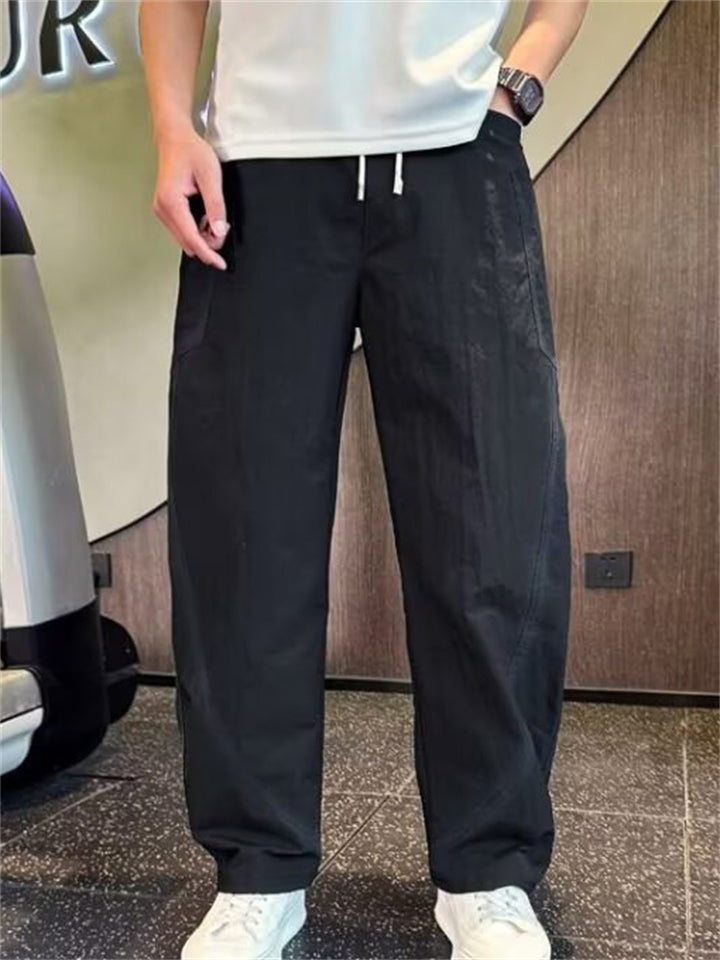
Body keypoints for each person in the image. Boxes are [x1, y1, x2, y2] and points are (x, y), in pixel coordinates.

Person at [140, 1, 588, 957]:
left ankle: (489, 869)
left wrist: (521, 81)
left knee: (489, 525)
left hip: (456, 150)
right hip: (258, 166)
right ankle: (259, 871)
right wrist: (174, 126)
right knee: (246, 534)